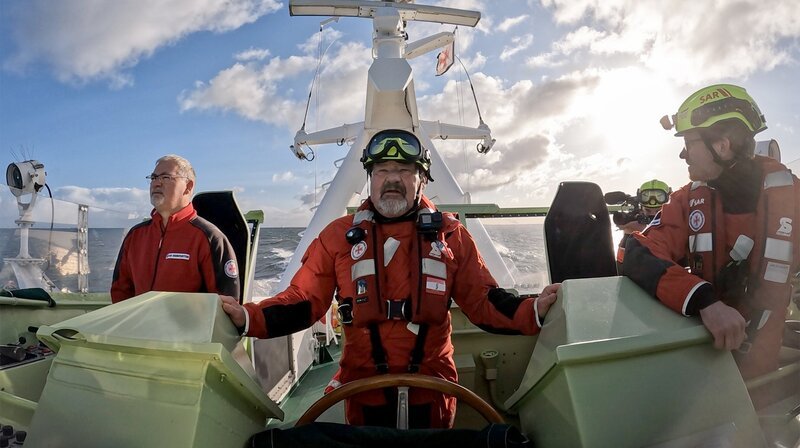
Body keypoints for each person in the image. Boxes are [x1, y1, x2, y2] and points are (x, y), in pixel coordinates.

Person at [221, 129, 560, 428]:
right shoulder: (337, 236)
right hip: (363, 389)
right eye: (383, 170)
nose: (393, 178)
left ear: (422, 178)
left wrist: (534, 309)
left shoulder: (452, 235)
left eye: (405, 170)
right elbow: (304, 300)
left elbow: (483, 301)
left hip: (435, 389)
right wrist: (249, 316)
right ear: (370, 178)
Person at [623, 84, 799, 380]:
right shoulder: (687, 201)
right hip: (704, 374)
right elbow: (634, 251)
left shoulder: (792, 197)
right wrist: (703, 301)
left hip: (765, 382)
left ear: (722, 145)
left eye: (689, 142)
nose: (682, 154)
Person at [111, 154, 240, 303]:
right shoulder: (135, 236)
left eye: (165, 178)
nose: (156, 184)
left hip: (190, 326)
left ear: (188, 187)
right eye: (153, 178)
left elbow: (226, 304)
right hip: (141, 326)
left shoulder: (209, 238)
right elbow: (120, 292)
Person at [615, 179, 671, 269]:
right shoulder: (632, 221)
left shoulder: (675, 222)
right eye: (648, 210)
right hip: (630, 271)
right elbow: (621, 224)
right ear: (641, 208)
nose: (653, 215)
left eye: (658, 211)